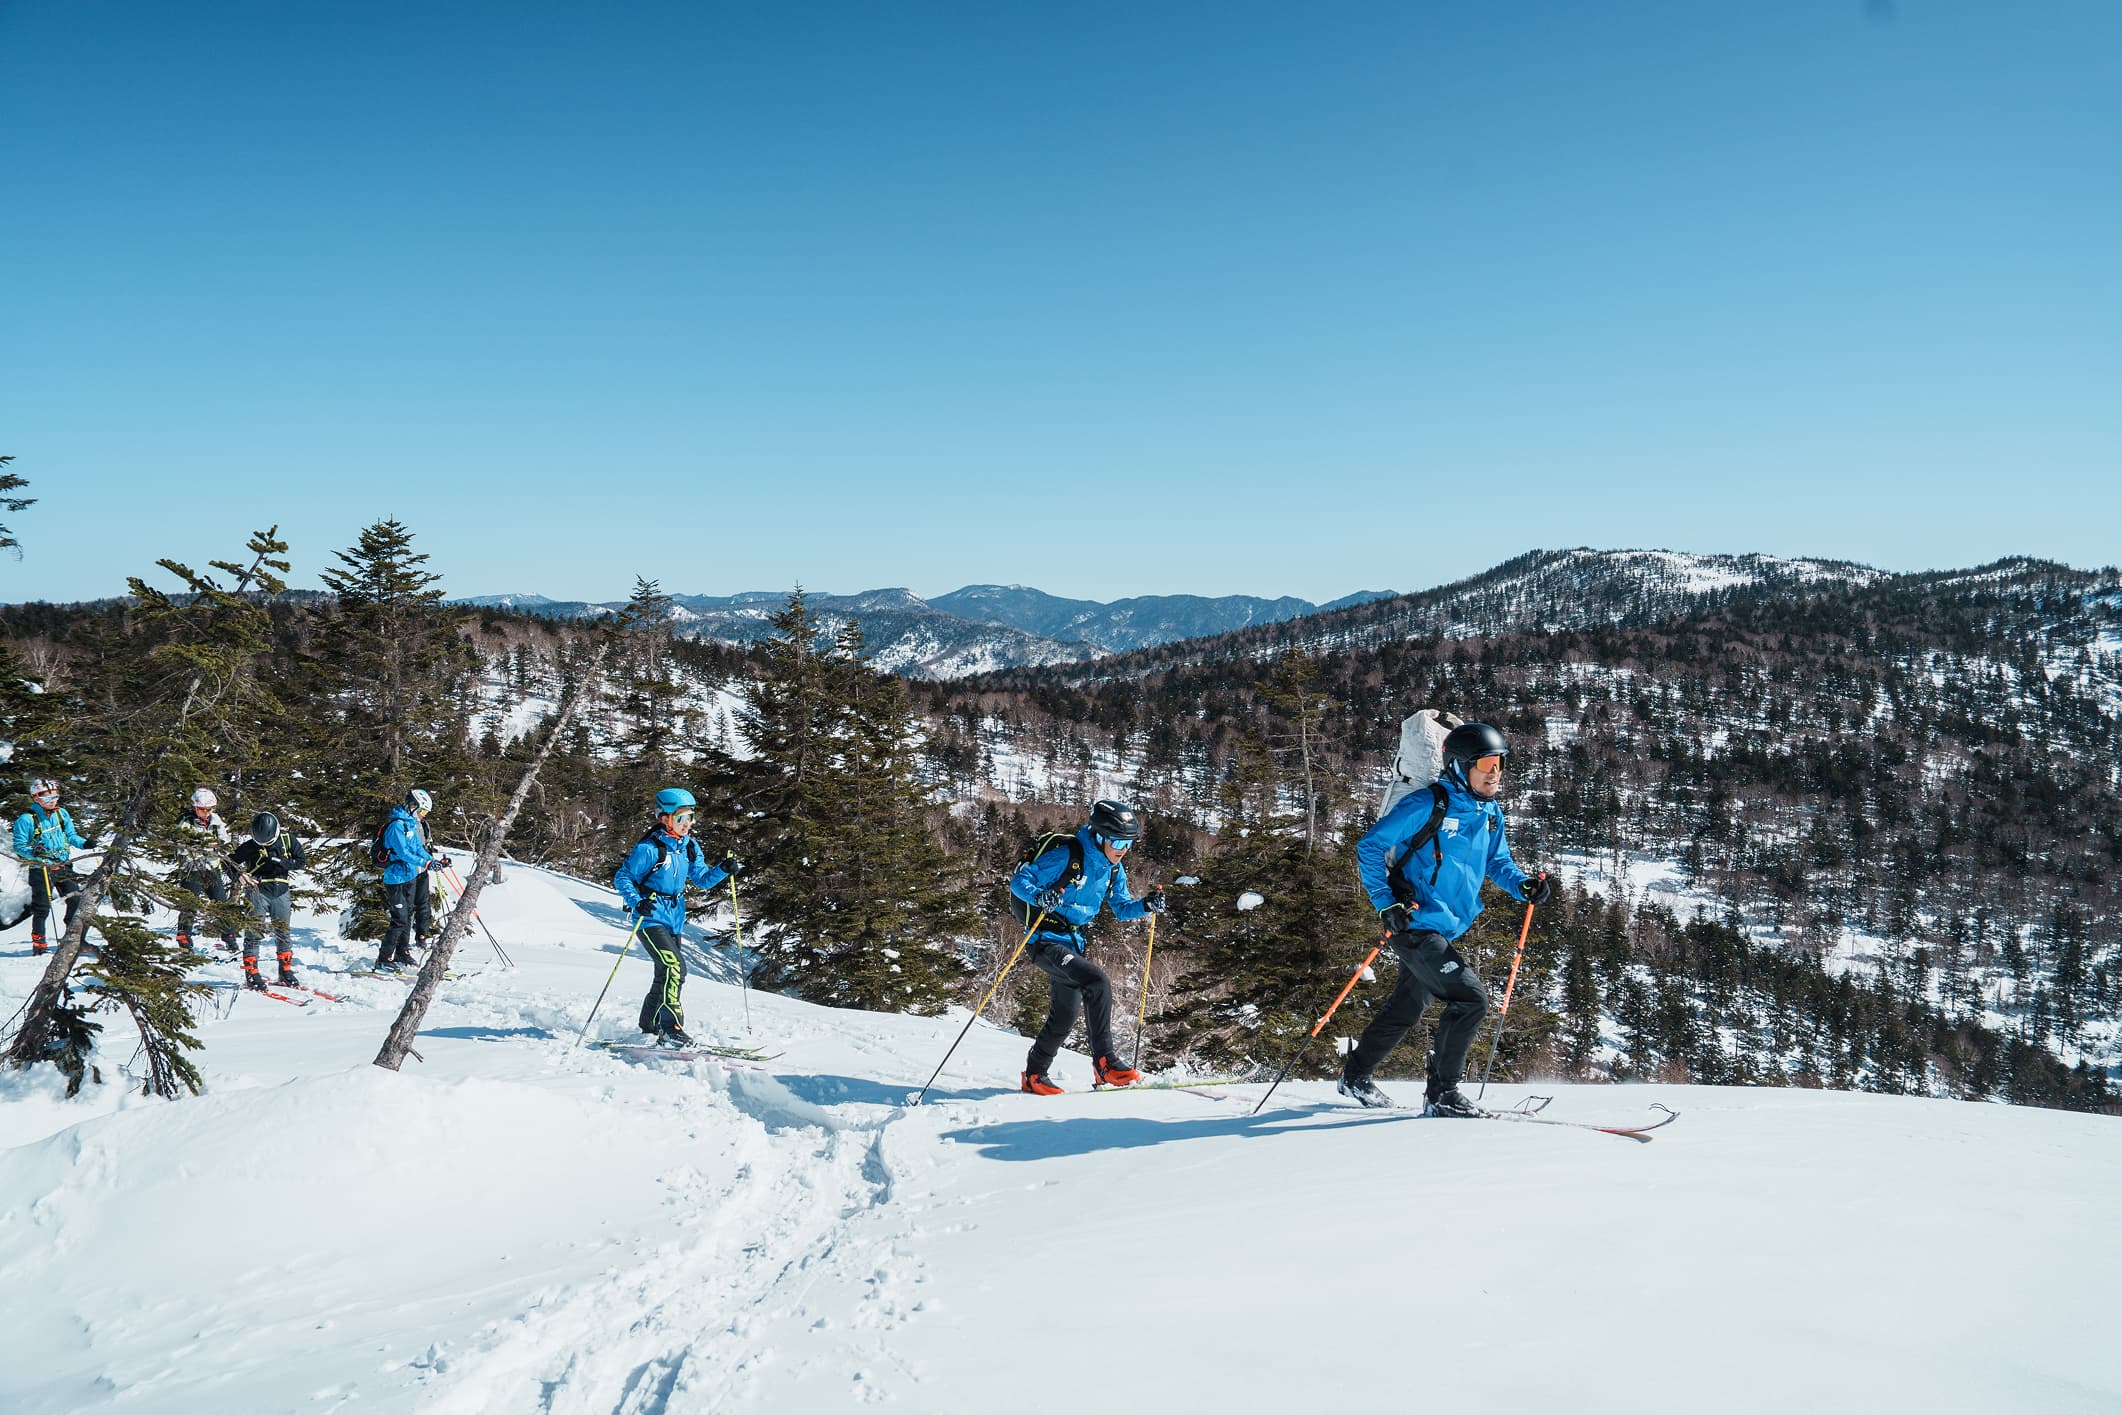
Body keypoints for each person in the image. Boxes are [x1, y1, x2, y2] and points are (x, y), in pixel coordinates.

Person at [1343, 721, 1554, 1115]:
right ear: (1460, 765)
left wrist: (1522, 885)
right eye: (1486, 763)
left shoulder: (1490, 813)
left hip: (1444, 924)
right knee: (1471, 999)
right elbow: (1370, 847)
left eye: (1500, 763)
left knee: (1407, 1006)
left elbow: (1497, 861)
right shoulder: (1427, 804)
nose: (1495, 772)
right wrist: (1385, 904)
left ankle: (1354, 1075)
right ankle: (1442, 1093)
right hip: (1414, 923)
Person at [1005, 798, 1166, 1095]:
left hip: (1073, 943)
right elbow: (1019, 882)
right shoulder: (1067, 855)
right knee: (1097, 981)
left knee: (1065, 1015)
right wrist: (1041, 897)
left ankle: (1034, 1075)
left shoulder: (1113, 869)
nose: (1122, 850)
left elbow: (1120, 908)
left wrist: (1146, 905)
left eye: (1128, 844)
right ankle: (1106, 1064)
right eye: (1117, 841)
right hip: (1045, 940)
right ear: (1101, 835)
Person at [611, 787, 742, 1047]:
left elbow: (702, 880)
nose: (688, 824)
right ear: (665, 818)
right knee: (675, 968)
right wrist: (637, 902)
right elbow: (622, 877)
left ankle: (648, 1024)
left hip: (675, 917)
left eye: (691, 817)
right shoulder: (650, 849)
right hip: (649, 917)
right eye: (681, 818)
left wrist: (723, 870)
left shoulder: (690, 847)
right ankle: (670, 1027)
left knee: (665, 972)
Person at [229, 812, 307, 989]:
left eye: (268, 842)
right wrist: (239, 875)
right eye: (260, 842)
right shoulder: (249, 846)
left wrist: (281, 862)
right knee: (254, 932)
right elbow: (228, 862)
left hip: (281, 890)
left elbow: (301, 861)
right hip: (257, 890)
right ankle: (251, 972)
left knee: (283, 932)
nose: (264, 845)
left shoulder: (288, 840)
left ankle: (285, 970)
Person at [12, 777, 87, 953]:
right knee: (42, 907)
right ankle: (39, 944)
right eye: (47, 798)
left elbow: (71, 835)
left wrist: (85, 843)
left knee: (76, 900)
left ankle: (74, 939)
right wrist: (33, 852)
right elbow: (19, 846)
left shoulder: (61, 814)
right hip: (41, 868)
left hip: (63, 865)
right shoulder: (26, 819)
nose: (53, 801)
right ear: (36, 798)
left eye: (55, 797)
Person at [376, 787, 443, 972]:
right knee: (399, 919)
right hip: (395, 879)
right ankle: (383, 958)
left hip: (410, 876)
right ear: (412, 806)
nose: (423, 815)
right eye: (422, 811)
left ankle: (402, 952)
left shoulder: (410, 824)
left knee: (407, 917)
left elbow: (417, 849)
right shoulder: (397, 825)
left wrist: (432, 860)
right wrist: (425, 863)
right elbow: (404, 853)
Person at [175, 787, 239, 953]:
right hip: (191, 869)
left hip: (211, 868)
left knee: (221, 903)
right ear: (195, 808)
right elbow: (180, 847)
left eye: (209, 809)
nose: (206, 813)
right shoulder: (186, 822)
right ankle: (184, 936)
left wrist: (219, 848)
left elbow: (225, 843)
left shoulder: (216, 821)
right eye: (202, 809)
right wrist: (201, 848)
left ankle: (229, 936)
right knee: (189, 903)